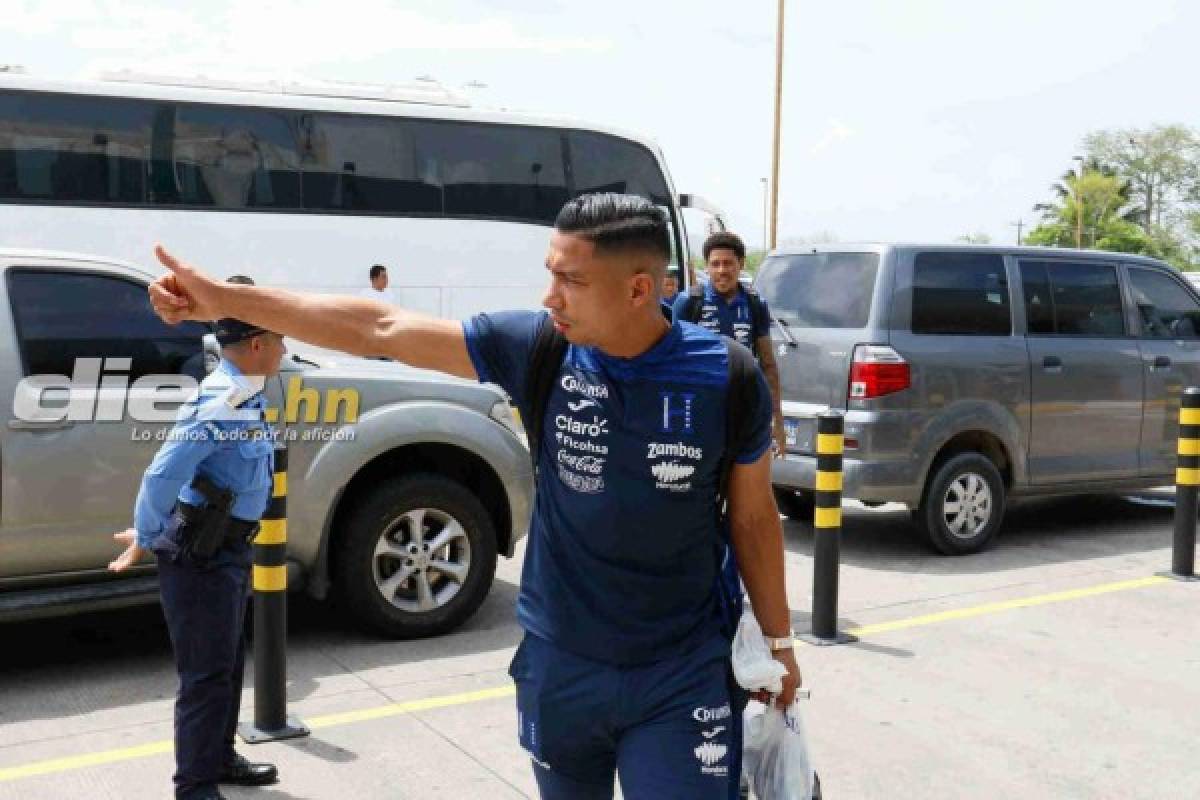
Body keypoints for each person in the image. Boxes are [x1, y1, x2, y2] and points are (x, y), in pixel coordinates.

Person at [145, 193, 800, 800]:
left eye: (571, 280)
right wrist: (226, 302)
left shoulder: (725, 375)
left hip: (681, 676)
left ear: (637, 288)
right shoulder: (539, 349)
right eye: (550, 272)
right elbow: (382, 327)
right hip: (561, 667)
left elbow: (751, 517)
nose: (551, 296)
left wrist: (779, 643)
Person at [109, 284, 286, 800]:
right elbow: (162, 473)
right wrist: (144, 532)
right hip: (200, 555)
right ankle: (195, 789)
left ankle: (220, 759)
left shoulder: (244, 391)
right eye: (279, 339)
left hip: (227, 550)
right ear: (256, 344)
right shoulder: (221, 401)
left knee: (227, 666)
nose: (284, 350)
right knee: (206, 678)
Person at [674, 232, 787, 456]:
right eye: (715, 264)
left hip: (744, 409)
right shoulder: (689, 302)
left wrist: (777, 419)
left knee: (743, 481)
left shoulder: (755, 304)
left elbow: (768, 364)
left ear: (741, 264)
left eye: (728, 263)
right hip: (700, 411)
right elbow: (672, 361)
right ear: (706, 267)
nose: (722, 271)